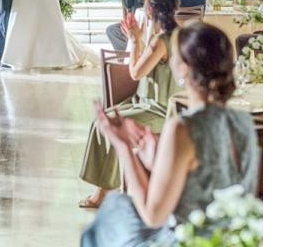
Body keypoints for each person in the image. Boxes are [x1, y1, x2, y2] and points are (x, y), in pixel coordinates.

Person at [81, 22, 259, 247]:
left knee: (108, 216)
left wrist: (124, 147)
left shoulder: (183, 128)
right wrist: (157, 161)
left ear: (184, 68)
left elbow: (153, 216)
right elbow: (212, 182)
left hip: (191, 240)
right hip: (236, 237)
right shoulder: (244, 121)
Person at [79, 0, 180, 208]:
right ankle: (106, 187)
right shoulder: (179, 35)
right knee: (101, 121)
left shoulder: (161, 40)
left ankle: (104, 191)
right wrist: (138, 39)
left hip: (159, 109)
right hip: (151, 103)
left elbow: (136, 72)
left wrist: (134, 41)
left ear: (150, 9)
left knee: (108, 123)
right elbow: (145, 61)